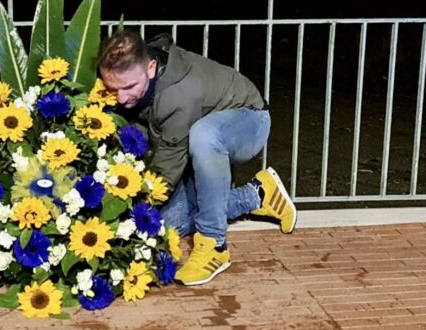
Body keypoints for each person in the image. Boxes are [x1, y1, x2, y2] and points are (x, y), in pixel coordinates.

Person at [97, 30, 296, 286]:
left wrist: (128, 209)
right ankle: (258, 195)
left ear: (151, 68)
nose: (121, 98)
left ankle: (214, 245)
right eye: (113, 89)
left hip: (248, 121)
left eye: (128, 87)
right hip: (190, 142)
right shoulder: (135, 73)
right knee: (169, 224)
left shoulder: (177, 95)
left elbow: (165, 171)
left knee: (203, 136)